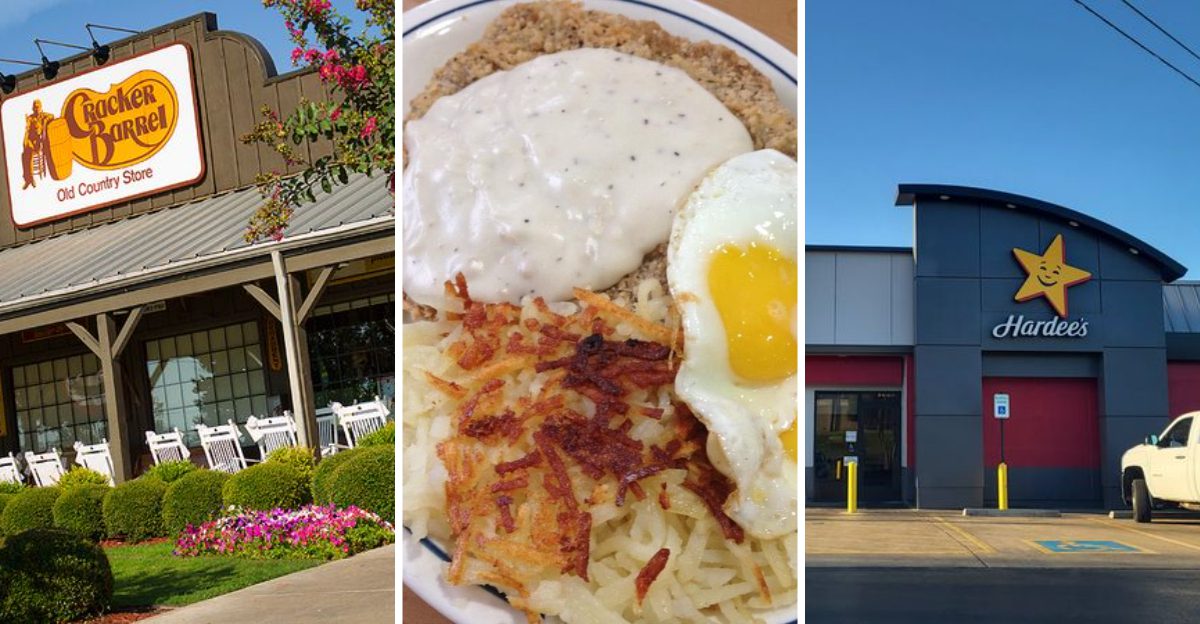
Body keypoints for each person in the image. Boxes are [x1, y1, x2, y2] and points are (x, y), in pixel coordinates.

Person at [21, 99, 54, 189]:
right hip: (31, 141)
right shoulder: (30, 118)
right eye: (35, 107)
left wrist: (45, 120)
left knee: (28, 153)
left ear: (40, 107)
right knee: (24, 155)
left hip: (40, 142)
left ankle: (29, 179)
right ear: (32, 108)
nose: (36, 109)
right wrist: (25, 140)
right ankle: (28, 178)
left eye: (38, 107)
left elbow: (52, 116)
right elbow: (27, 130)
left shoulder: (44, 116)